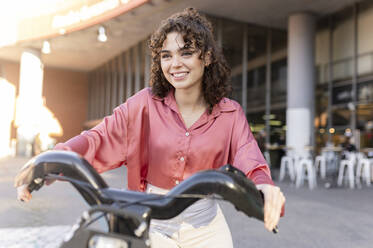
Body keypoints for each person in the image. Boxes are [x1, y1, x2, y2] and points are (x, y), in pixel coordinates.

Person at [16, 8, 285, 248]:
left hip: (205, 228)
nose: (175, 64)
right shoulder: (144, 104)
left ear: (207, 57)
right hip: (150, 221)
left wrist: (263, 186)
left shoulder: (230, 113)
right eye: (166, 56)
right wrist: (49, 162)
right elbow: (97, 138)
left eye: (186, 53)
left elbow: (250, 158)